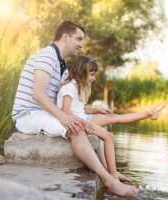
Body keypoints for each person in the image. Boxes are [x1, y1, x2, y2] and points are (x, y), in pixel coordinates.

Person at [12, 21, 139, 197]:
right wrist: (65, 118)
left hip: (43, 113)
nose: (81, 44)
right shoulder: (47, 57)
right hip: (29, 114)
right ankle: (109, 182)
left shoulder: (62, 65)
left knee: (85, 126)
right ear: (66, 36)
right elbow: (38, 95)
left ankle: (112, 174)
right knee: (76, 127)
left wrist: (85, 113)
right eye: (78, 39)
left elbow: (65, 103)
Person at [56, 56, 167, 183]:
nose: (94, 78)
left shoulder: (78, 85)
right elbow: (66, 111)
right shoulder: (69, 87)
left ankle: (149, 113)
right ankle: (113, 177)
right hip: (78, 121)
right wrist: (85, 123)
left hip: (83, 117)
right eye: (92, 75)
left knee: (114, 117)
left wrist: (96, 110)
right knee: (108, 136)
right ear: (82, 73)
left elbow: (78, 109)